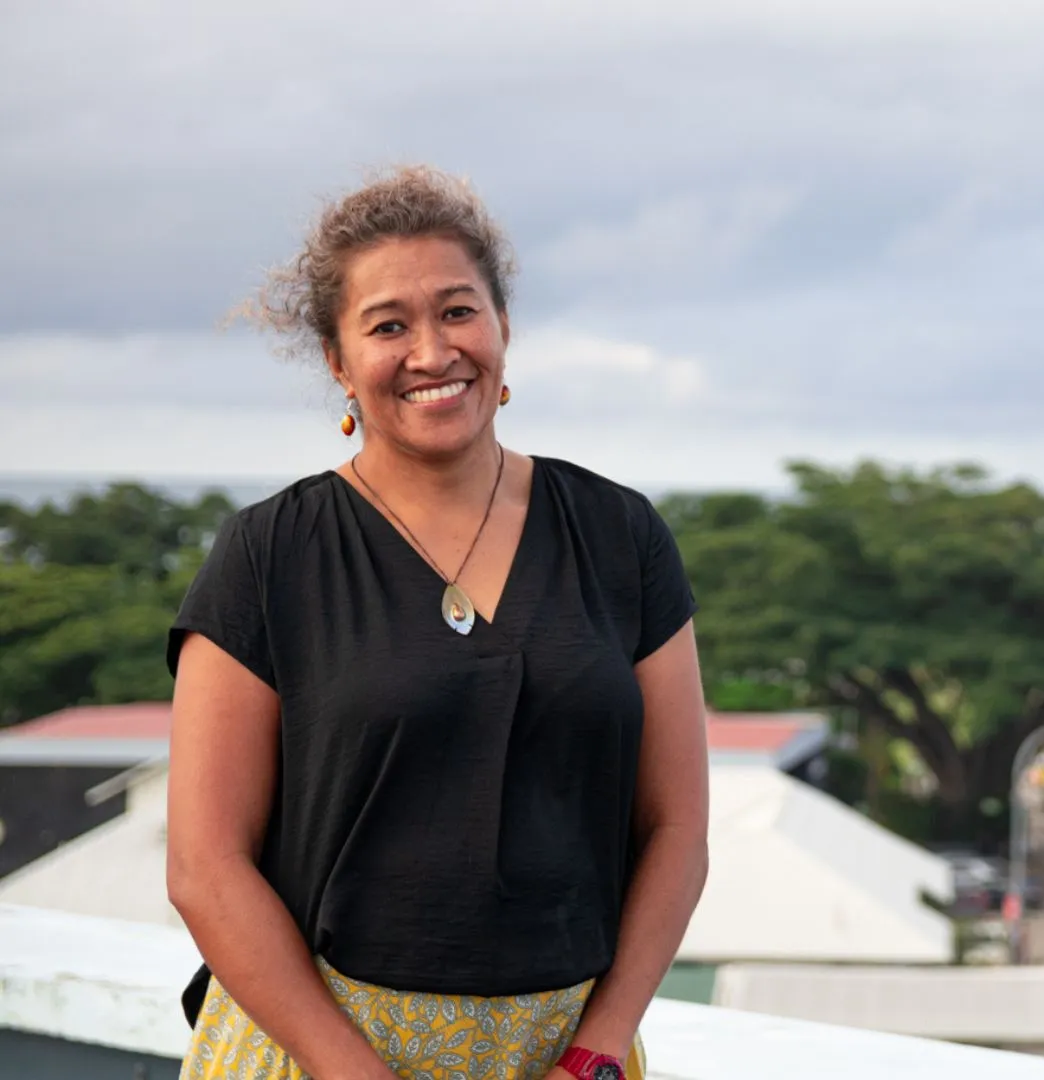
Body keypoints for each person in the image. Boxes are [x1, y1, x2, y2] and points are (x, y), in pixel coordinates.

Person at [165, 165, 709, 1080]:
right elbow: (205, 868)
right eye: (387, 326)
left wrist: (601, 1049)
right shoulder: (269, 556)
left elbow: (678, 829)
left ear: (503, 329)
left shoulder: (621, 536)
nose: (431, 351)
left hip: (565, 1059)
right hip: (319, 1055)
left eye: (458, 311)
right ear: (338, 363)